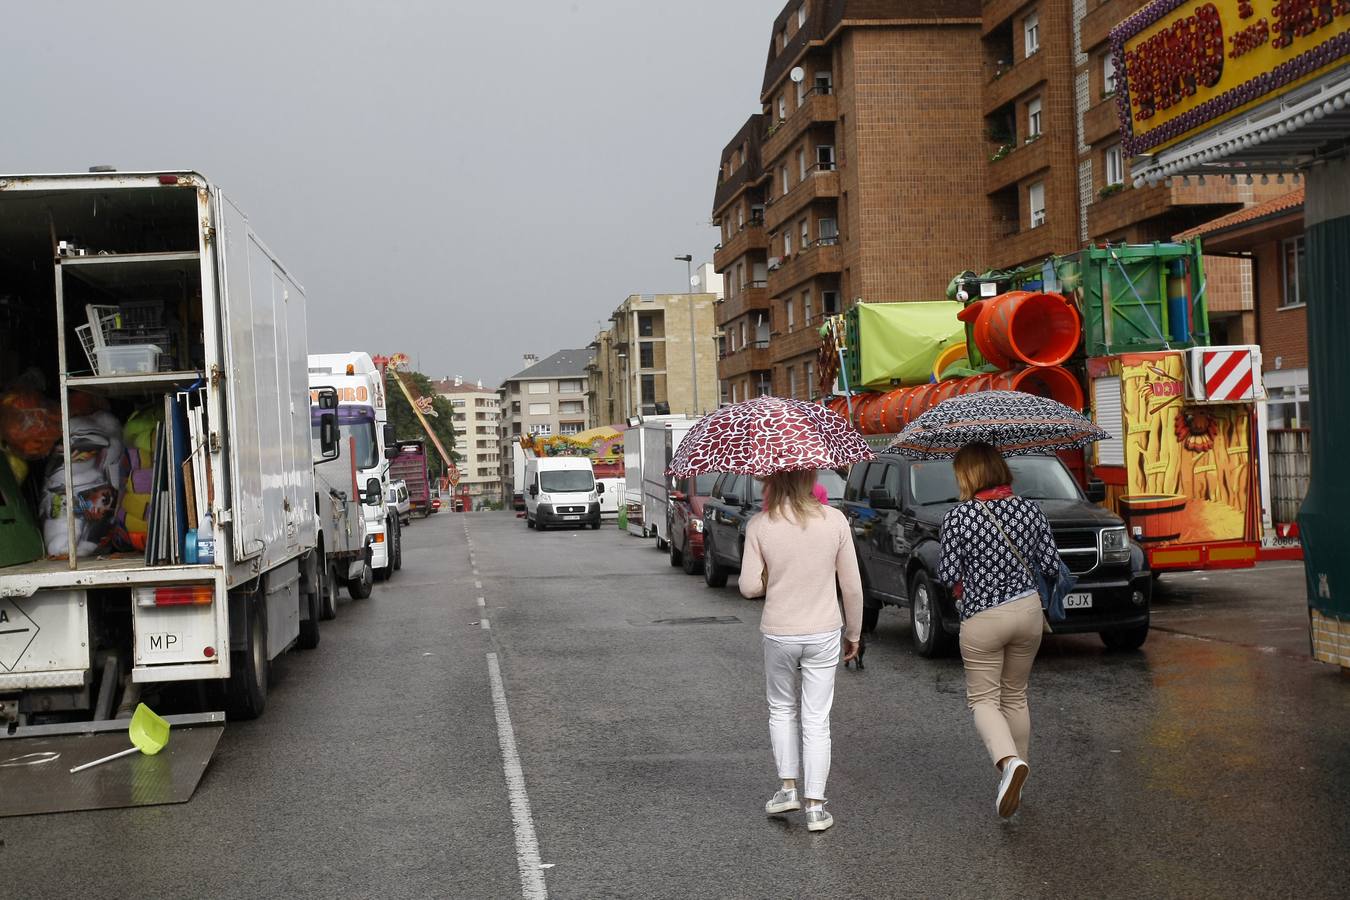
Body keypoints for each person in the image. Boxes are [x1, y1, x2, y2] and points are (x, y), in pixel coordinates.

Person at [938, 442, 1061, 819]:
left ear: (968, 475)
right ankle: (1017, 776)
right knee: (1016, 696)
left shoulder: (960, 517)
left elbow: (947, 575)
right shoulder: (1030, 509)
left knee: (984, 700)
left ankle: (1009, 764)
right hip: (1027, 613)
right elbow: (1052, 564)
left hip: (984, 618)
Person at [740, 468, 863, 833]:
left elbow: (748, 587)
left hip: (780, 631)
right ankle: (815, 807)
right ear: (811, 480)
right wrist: (854, 633)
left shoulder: (760, 525)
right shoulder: (835, 520)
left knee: (781, 708)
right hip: (824, 630)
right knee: (816, 718)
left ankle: (788, 788)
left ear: (772, 483)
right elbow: (852, 587)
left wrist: (770, 578)